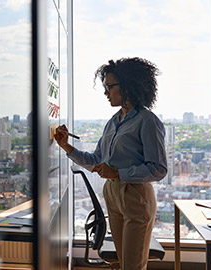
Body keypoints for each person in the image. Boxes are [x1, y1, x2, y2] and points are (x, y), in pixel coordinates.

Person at [54, 57, 168, 270]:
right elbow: (96, 160)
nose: (106, 93)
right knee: (124, 263)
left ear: (127, 86)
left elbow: (158, 169)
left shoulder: (147, 121)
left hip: (136, 196)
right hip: (113, 195)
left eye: (109, 87)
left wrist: (117, 173)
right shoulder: (113, 122)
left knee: (133, 266)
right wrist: (67, 147)